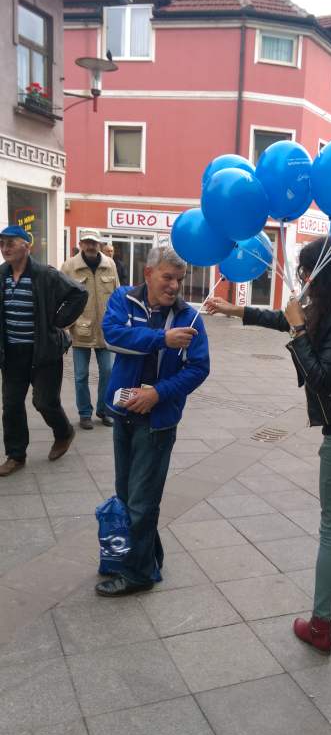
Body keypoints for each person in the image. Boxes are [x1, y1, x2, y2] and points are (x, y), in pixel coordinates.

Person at [207, 236, 331, 654]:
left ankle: (321, 626)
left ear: (320, 273)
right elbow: (284, 319)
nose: (302, 279)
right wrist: (235, 310)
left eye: (304, 272)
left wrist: (299, 329)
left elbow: (321, 377)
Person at [95, 246, 209, 597]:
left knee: (142, 501)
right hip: (122, 414)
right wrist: (162, 339)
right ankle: (148, 555)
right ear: (148, 274)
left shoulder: (189, 318)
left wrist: (157, 394)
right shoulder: (124, 299)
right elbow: (112, 336)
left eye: (179, 279)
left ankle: (139, 574)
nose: (174, 286)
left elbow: (198, 368)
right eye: (167, 277)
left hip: (157, 423)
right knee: (128, 494)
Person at [0, 225, 88, 476]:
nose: (5, 248)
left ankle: (64, 432)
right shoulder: (2, 275)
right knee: (11, 405)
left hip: (44, 351)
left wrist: (59, 321)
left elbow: (79, 293)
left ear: (26, 246)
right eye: (2, 244)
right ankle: (16, 455)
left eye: (10, 243)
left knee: (44, 402)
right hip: (12, 353)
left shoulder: (45, 274)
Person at [62, 229, 119, 429]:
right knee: (80, 375)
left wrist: (119, 321)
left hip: (106, 329)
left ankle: (104, 411)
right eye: (86, 242)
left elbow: (117, 294)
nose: (90, 245)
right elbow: (61, 296)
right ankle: (84, 413)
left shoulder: (110, 264)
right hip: (81, 329)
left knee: (108, 371)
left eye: (93, 242)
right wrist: (65, 323)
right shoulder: (69, 266)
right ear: (80, 244)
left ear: (99, 244)